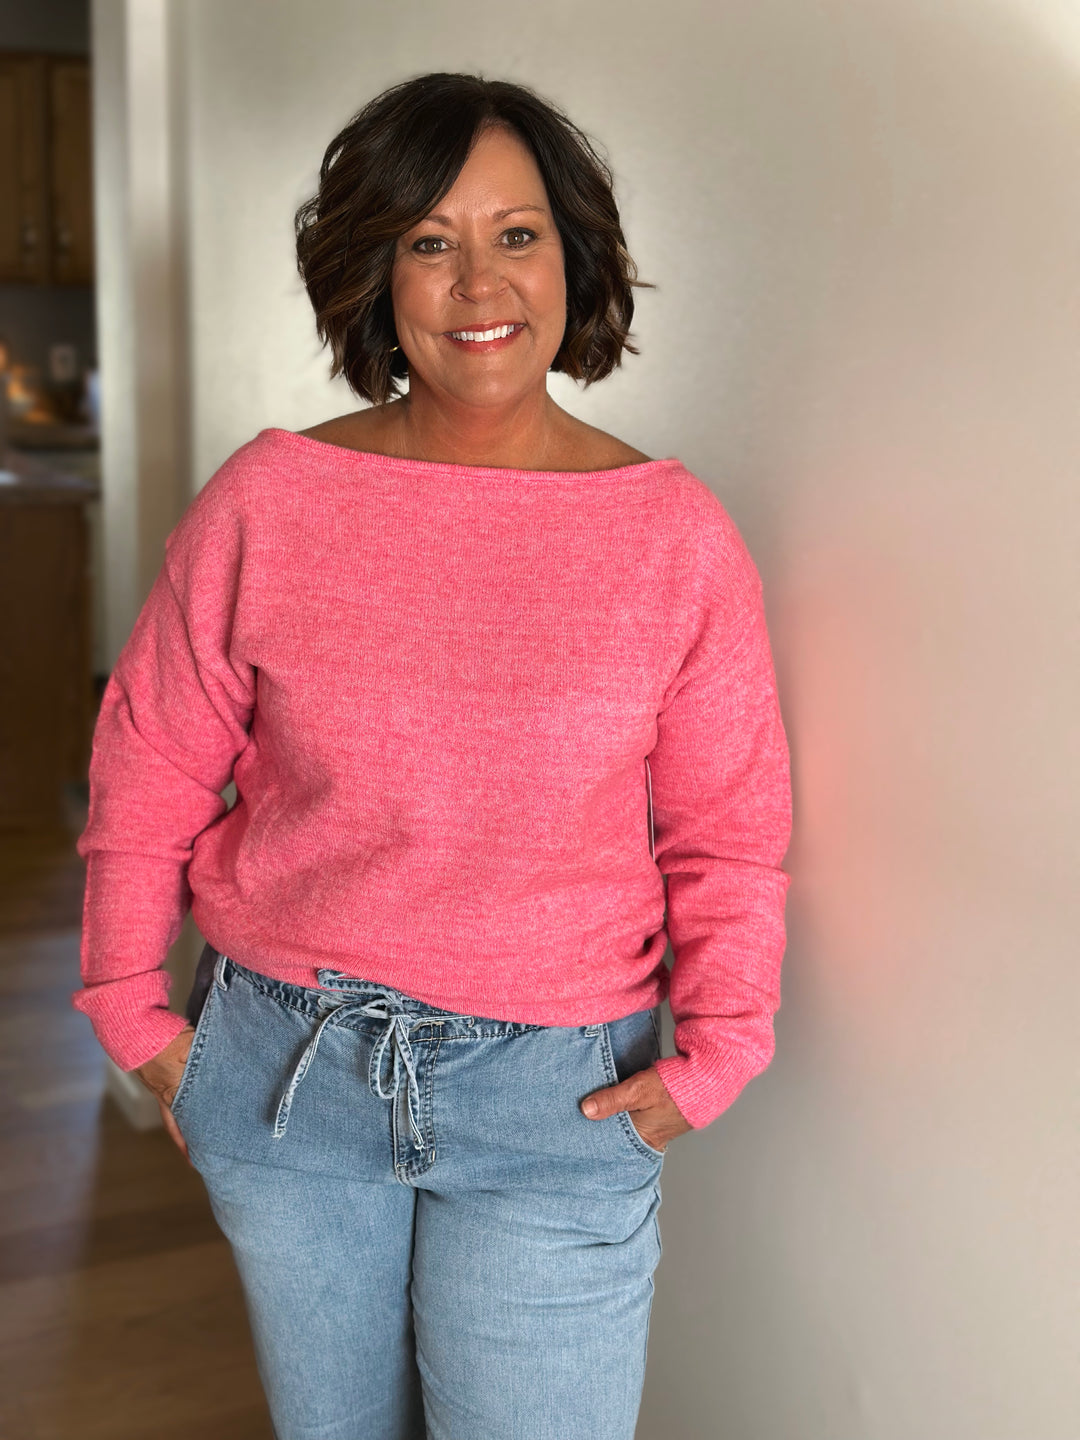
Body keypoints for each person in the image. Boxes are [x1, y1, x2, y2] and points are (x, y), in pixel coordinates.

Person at [74, 72, 793, 1440]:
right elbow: (152, 757)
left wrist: (721, 1054)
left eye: (517, 234)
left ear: (576, 259)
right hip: (287, 1068)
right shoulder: (272, 500)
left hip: (560, 1099)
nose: (478, 283)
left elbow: (730, 827)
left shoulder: (673, 539)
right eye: (429, 240)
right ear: (375, 272)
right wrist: (126, 1000)